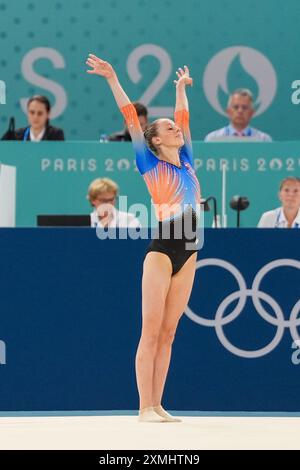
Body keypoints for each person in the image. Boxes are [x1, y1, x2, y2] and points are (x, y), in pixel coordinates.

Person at [86, 54, 201, 423]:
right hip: (163, 248)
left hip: (192, 249)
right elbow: (130, 117)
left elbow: (184, 117)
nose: (175, 129)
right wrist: (112, 77)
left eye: (174, 127)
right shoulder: (149, 163)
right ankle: (143, 406)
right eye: (166, 128)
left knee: (169, 333)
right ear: (152, 140)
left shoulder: (187, 162)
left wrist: (181, 89)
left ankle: (158, 404)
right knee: (150, 330)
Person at [204, 89, 272, 142]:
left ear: (251, 113)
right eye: (236, 107)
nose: (240, 111)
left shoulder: (263, 140)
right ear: (228, 111)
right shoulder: (212, 139)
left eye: (244, 108)